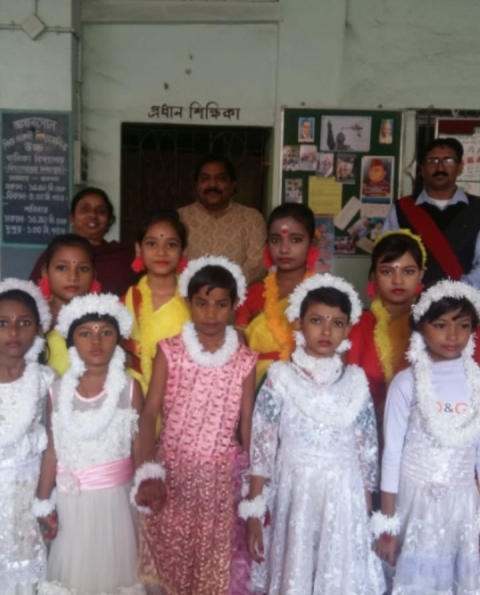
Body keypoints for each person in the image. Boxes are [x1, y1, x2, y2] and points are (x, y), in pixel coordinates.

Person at [243, 274, 385, 595]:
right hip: (296, 493)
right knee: (298, 571)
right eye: (317, 320)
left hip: (343, 496)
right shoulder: (281, 377)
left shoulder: (355, 382)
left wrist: (365, 515)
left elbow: (365, 455)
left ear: (348, 330)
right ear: (299, 323)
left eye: (337, 323)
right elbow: (262, 449)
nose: (326, 331)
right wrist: (254, 510)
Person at [133, 256, 257, 594]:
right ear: (188, 302)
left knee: (214, 567)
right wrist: (147, 470)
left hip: (221, 478)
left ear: (235, 305)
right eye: (202, 303)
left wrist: (255, 482)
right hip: (172, 472)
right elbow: (149, 413)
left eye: (220, 304)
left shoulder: (245, 360)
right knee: (173, 563)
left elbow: (247, 422)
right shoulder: (170, 351)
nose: (211, 313)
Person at [374, 280, 480, 594]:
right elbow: (392, 454)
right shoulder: (406, 383)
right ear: (421, 327)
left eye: (463, 325)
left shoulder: (477, 382)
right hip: (414, 503)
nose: (453, 335)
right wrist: (388, 524)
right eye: (441, 325)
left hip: (462, 506)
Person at [36, 294, 144, 594]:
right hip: (71, 505)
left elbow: (139, 448)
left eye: (105, 332)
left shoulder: (129, 388)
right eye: (85, 334)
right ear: (71, 341)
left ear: (118, 339)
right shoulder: (57, 391)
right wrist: (43, 501)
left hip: (117, 504)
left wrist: (144, 494)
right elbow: (52, 452)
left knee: (114, 574)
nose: (96, 341)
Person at [0, 279, 55, 593]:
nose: (13, 332)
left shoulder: (45, 380)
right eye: (2, 323)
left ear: (38, 328)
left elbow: (52, 449)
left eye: (23, 323)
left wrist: (44, 500)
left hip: (26, 498)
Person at [348, 230, 426, 445]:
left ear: (421, 274)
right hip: (363, 436)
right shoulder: (354, 326)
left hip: (420, 441)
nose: (398, 280)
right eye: (387, 271)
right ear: (373, 276)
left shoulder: (436, 326)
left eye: (408, 271)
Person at [235, 203, 319, 385]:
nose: (284, 249)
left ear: (312, 244)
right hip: (255, 385)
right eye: (275, 240)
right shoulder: (252, 294)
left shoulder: (322, 294)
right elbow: (239, 352)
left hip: (308, 387)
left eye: (296, 240)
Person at [382, 137, 480, 287]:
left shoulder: (477, 208)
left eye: (448, 161)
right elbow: (387, 258)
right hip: (413, 297)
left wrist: (458, 291)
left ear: (460, 167)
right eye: (432, 161)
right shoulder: (402, 209)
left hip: (466, 297)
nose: (440, 167)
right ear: (422, 169)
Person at [122, 209, 190, 399]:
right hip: (135, 394)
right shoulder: (126, 300)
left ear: (183, 250)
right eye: (152, 244)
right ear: (138, 249)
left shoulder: (194, 299)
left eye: (171, 244)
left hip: (185, 395)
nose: (161, 252)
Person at [29, 187, 137, 297]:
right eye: (85, 210)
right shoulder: (54, 254)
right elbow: (33, 298)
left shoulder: (123, 257)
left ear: (109, 220)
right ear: (71, 217)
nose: (93, 215)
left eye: (101, 211)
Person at [178, 155, 267, 284]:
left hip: (239, 293)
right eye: (205, 179)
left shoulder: (252, 218)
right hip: (188, 293)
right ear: (197, 186)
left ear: (232, 185)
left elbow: (258, 265)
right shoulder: (180, 217)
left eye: (220, 178)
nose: (212, 184)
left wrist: (227, 288)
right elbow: (173, 259)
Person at [39, 233, 100, 376]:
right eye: (62, 268)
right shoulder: (33, 318)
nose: (73, 277)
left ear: (94, 274)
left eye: (83, 269)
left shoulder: (103, 319)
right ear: (45, 272)